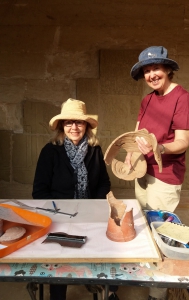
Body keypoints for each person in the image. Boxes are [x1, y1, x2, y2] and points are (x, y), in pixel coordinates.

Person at [32, 98, 119, 300]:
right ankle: (57, 295)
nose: (74, 127)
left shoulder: (95, 150)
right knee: (61, 261)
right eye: (68, 122)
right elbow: (39, 191)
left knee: (104, 250)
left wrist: (92, 207)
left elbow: (104, 183)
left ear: (86, 125)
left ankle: (106, 288)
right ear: (62, 126)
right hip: (60, 217)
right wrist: (61, 212)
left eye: (79, 122)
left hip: (89, 215)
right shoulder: (50, 151)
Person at [127, 46, 189, 300]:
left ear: (167, 69)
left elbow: (183, 141)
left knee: (161, 235)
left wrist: (159, 147)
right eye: (146, 70)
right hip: (143, 173)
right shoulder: (148, 99)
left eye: (155, 68)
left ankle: (157, 295)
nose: (151, 74)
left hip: (164, 178)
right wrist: (130, 155)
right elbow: (137, 131)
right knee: (143, 231)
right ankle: (146, 283)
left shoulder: (182, 97)